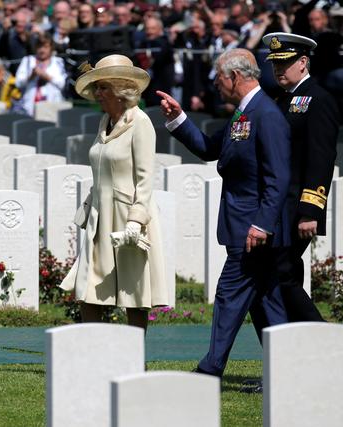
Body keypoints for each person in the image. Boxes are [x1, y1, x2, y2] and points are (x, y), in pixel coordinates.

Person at [156, 48, 291, 377]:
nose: (215, 83)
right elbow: (208, 148)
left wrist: (262, 224)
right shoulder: (245, 113)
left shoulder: (266, 115)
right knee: (266, 303)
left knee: (230, 296)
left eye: (219, 76)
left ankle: (210, 368)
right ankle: (290, 371)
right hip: (245, 228)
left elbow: (279, 177)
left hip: (253, 231)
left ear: (236, 77)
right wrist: (178, 117)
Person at [60, 54, 169, 330]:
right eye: (97, 88)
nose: (98, 94)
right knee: (89, 287)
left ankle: (133, 358)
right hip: (100, 215)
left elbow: (145, 178)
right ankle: (94, 350)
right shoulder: (105, 122)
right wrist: (87, 207)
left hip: (127, 217)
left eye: (103, 87)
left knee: (134, 291)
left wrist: (136, 219)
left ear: (121, 90)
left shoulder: (139, 122)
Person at [261, 32, 340, 322]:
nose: (278, 69)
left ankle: (320, 341)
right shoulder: (282, 99)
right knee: (282, 275)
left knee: (282, 274)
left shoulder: (319, 99)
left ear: (303, 62)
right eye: (275, 64)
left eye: (286, 62)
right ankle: (294, 348)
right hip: (278, 206)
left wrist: (310, 211)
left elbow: (321, 159)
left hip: (297, 208)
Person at [14, 33, 66, 116]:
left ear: (51, 48)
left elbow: (62, 84)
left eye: (45, 47)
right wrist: (31, 76)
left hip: (51, 108)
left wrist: (46, 76)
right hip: (29, 108)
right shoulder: (27, 61)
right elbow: (18, 83)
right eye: (39, 47)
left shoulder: (58, 62)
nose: (42, 50)